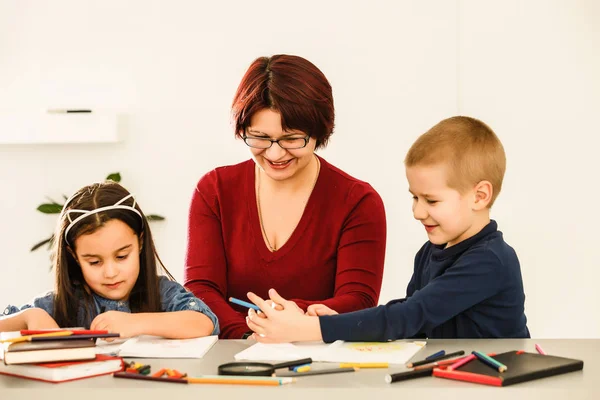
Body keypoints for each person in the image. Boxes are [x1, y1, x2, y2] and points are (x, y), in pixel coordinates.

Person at [245, 116, 530, 342]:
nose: (418, 212)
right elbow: (409, 318)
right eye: (415, 197)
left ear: (480, 196)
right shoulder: (431, 252)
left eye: (431, 200)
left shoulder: (489, 260)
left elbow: (408, 316)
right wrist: (335, 321)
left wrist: (313, 328)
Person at [184, 54, 387, 339]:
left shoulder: (358, 201)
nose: (275, 154)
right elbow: (201, 290)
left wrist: (288, 325)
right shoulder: (214, 190)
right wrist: (249, 336)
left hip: (321, 362)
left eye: (292, 139)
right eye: (260, 137)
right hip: (233, 355)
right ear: (242, 130)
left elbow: (358, 300)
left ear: (320, 131)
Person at [1, 181, 219, 339]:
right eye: (94, 262)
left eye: (122, 256)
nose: (111, 272)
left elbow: (204, 322)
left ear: (140, 243)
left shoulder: (163, 293)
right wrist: (31, 316)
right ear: (74, 256)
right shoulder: (60, 304)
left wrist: (134, 323)